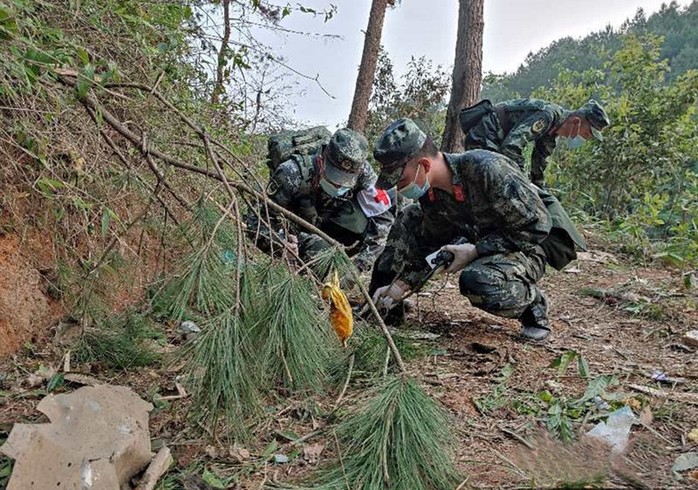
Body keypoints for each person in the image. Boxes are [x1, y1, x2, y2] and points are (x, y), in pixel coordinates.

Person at [369, 118, 555, 342]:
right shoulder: (431, 195)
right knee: (410, 217)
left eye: (400, 179)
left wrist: (476, 250)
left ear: (425, 166)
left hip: (526, 248)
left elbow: (537, 226)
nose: (398, 188)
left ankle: (533, 306)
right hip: (475, 243)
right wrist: (401, 285)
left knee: (477, 280)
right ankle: (384, 308)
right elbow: (430, 245)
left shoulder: (487, 169)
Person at [248, 128, 394, 275]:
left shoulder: (364, 173)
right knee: (319, 248)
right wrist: (281, 244)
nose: (339, 185)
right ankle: (306, 278)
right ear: (321, 160)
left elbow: (383, 219)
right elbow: (255, 222)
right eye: (334, 177)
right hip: (297, 231)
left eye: (346, 182)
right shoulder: (291, 173)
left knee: (372, 225)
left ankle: (332, 267)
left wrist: (359, 266)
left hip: (332, 224)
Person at [460, 98, 610, 187]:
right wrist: (523, 183)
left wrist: (540, 192)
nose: (583, 139)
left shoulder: (551, 134)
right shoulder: (548, 116)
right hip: (485, 135)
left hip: (496, 140)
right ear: (576, 122)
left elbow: (538, 168)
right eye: (585, 134)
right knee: (487, 183)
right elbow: (511, 147)